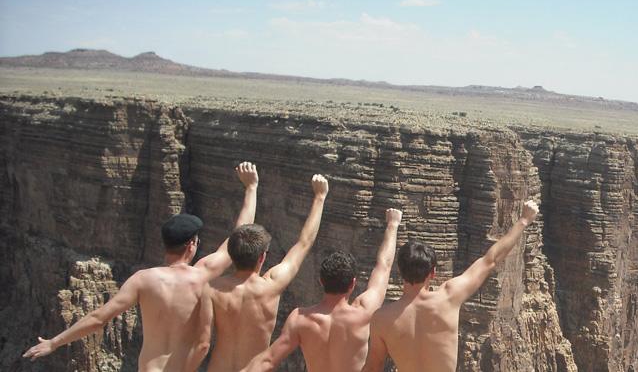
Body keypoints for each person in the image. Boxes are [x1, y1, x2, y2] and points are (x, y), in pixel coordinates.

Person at [23, 161, 261, 371]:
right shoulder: (202, 276)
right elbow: (238, 236)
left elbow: (98, 318)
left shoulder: (143, 280)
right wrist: (251, 188)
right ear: (192, 245)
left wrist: (53, 343)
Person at [362, 200, 539, 372]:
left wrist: (392, 226)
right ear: (433, 273)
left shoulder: (382, 319)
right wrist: (523, 220)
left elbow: (373, 367)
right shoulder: (449, 297)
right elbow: (491, 260)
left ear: (400, 272)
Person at [245, 208, 403, 372]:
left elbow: (268, 361)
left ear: (321, 281)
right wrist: (392, 225)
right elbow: (384, 266)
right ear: (353, 284)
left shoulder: (300, 319)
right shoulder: (363, 313)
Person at [205, 174, 330, 371]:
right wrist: (320, 197)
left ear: (231, 253)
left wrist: (251, 188)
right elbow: (304, 243)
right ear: (262, 257)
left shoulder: (211, 289)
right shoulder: (271, 286)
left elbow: (200, 342)